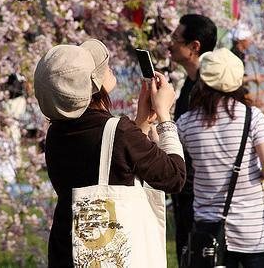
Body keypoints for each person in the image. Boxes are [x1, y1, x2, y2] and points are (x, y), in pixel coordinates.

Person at [33, 39, 186, 267]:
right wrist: (164, 116)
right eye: (100, 68)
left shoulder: (56, 134)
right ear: (94, 87)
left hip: (68, 252)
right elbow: (175, 177)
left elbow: (110, 164)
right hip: (113, 256)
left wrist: (140, 124)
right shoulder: (120, 132)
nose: (108, 67)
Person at [176, 48, 264, 268]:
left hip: (208, 229)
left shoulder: (186, 122)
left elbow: (169, 153)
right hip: (251, 230)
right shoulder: (252, 117)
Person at [169, 14, 217, 263]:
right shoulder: (188, 84)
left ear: (194, 46)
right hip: (184, 190)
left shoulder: (208, 91)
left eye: (176, 38)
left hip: (202, 195)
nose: (170, 43)